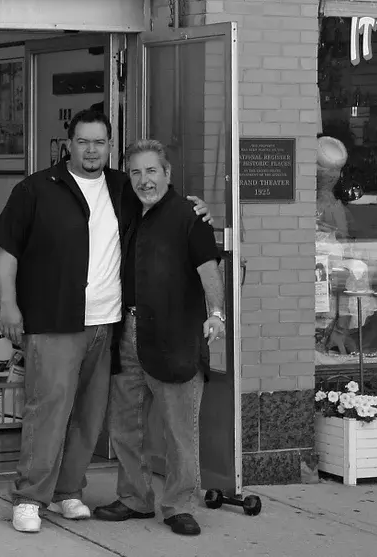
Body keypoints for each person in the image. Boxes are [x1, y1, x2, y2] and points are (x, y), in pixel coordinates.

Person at [0, 110, 209, 535]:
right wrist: (9, 304)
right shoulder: (36, 189)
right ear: (67, 144)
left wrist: (197, 207)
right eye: (83, 141)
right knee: (47, 410)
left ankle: (68, 490)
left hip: (107, 324)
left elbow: (159, 196)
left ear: (110, 147)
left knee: (89, 416)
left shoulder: (121, 187)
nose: (91, 150)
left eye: (100, 142)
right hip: (54, 322)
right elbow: (7, 251)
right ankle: (30, 497)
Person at [92, 139, 224, 537]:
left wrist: (217, 313)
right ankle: (135, 498)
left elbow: (209, 270)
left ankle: (179, 504)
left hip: (175, 336)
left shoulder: (189, 215)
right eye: (135, 172)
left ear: (167, 174)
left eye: (151, 171)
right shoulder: (128, 210)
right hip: (127, 332)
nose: (143, 180)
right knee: (124, 425)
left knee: (179, 429)